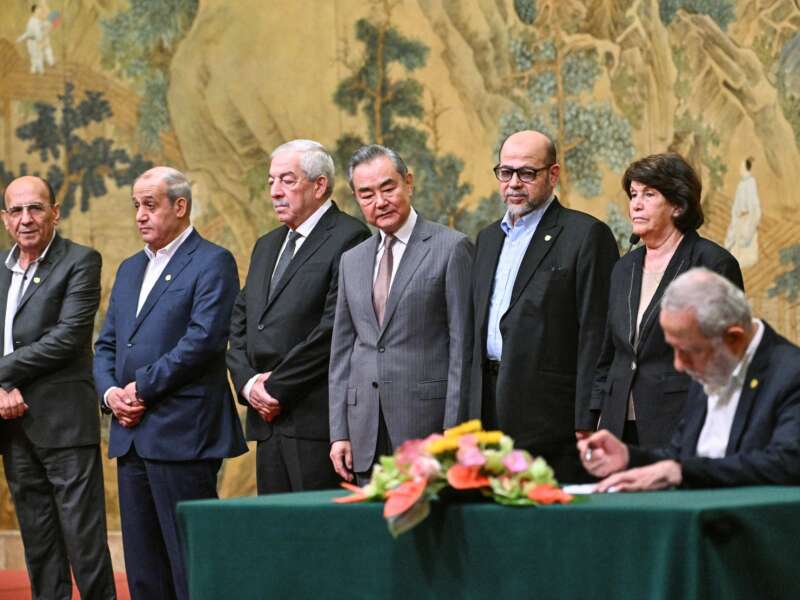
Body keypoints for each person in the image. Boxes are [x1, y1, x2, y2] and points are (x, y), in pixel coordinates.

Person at [93, 166, 246, 600]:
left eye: (150, 204)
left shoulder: (213, 261)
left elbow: (203, 341)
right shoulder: (128, 269)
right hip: (131, 434)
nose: (140, 215)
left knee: (189, 564)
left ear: (180, 206)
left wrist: (139, 389)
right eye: (135, 206)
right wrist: (110, 393)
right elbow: (106, 344)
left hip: (183, 433)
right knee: (143, 568)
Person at [464, 130, 618, 482]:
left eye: (527, 173)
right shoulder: (487, 239)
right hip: (486, 409)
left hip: (551, 417)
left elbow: (596, 334)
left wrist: (587, 418)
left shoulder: (585, 235)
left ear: (553, 174)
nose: (514, 183)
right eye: (506, 172)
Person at [227, 140, 369, 494]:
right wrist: (248, 385)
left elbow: (334, 329)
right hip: (266, 420)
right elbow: (241, 320)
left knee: (317, 538)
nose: (275, 192)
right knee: (277, 536)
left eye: (287, 181)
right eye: (271, 181)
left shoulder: (350, 237)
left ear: (319, 185)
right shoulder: (267, 244)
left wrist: (275, 389)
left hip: (315, 420)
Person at [580, 268, 800, 491]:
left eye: (687, 351)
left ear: (734, 337)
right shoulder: (710, 366)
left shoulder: (791, 374)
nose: (678, 364)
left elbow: (787, 464)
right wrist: (629, 457)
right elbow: (681, 455)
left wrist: (682, 472)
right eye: (673, 350)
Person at [329, 144, 473, 484]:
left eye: (388, 188)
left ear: (408, 182)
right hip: (364, 428)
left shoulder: (452, 248)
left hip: (427, 427)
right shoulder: (353, 260)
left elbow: (462, 349)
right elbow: (342, 353)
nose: (380, 202)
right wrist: (339, 432)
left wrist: (454, 432)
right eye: (366, 194)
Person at [0, 176, 115, 599]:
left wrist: (0, 375)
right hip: (13, 426)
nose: (26, 219)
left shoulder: (81, 261)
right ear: (5, 218)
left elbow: (67, 338)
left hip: (64, 425)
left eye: (35, 208)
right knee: (39, 541)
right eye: (16, 210)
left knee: (84, 543)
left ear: (55, 213)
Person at [591, 153, 743, 449]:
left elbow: (726, 358)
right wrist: (594, 415)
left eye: (649, 194)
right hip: (617, 423)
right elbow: (609, 353)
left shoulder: (712, 264)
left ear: (678, 204)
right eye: (633, 194)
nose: (635, 204)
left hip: (681, 420)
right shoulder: (624, 268)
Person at [724, 157, 762, 269]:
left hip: (747, 218)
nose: (740, 169)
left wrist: (750, 216)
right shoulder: (741, 184)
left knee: (744, 241)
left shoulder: (751, 182)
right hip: (739, 218)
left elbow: (753, 204)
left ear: (746, 169)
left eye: (741, 167)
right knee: (735, 243)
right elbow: (738, 202)